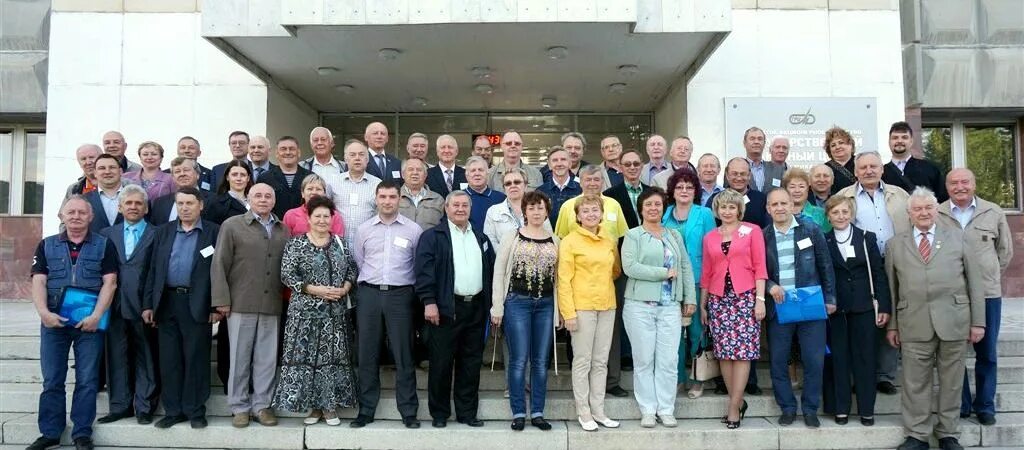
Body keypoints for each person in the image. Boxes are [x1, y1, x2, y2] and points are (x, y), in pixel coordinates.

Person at [886, 187, 986, 450]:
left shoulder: (958, 238)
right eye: (917, 209)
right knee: (914, 383)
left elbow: (975, 283)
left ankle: (948, 433)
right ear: (909, 213)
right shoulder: (895, 244)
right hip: (913, 322)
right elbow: (892, 288)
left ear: (936, 210)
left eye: (928, 208)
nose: (923, 213)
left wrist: (978, 321)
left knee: (952, 382)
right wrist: (893, 325)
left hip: (954, 320)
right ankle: (917, 435)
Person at [25, 196, 118, 450]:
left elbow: (110, 283)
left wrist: (97, 316)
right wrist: (43, 313)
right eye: (71, 212)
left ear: (90, 217)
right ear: (61, 216)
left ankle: (81, 433)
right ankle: (50, 432)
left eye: (81, 212)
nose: (76, 216)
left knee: (87, 380)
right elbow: (39, 281)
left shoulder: (104, 245)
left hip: (89, 323)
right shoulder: (46, 245)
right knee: (52, 379)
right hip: (54, 321)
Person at [273, 196, 358, 426]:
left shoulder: (341, 243)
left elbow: (352, 270)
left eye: (326, 216)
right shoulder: (296, 243)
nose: (322, 220)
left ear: (333, 219)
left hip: (335, 315)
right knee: (307, 361)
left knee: (330, 361)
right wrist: (315, 289)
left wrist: (344, 289)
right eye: (317, 216)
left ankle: (329, 407)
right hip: (304, 315)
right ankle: (313, 408)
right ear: (309, 218)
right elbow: (287, 275)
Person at [414, 191, 496, 428]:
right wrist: (429, 302)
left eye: (464, 205)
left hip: (476, 308)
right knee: (441, 363)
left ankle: (467, 413)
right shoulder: (433, 236)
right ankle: (439, 414)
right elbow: (424, 272)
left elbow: (489, 272)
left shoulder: (481, 237)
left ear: (470, 209)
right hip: (445, 309)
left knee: (470, 364)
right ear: (446, 209)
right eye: (455, 205)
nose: (460, 209)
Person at [938, 169, 1013, 426]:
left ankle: (985, 406)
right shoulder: (937, 213)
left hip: (988, 295)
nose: (960, 186)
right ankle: (962, 405)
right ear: (947, 187)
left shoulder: (993, 212)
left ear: (974, 183)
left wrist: (986, 277)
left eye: (965, 181)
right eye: (954, 183)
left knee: (987, 353)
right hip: (951, 296)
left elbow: (1004, 252)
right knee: (953, 352)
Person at [211, 183, 289, 428]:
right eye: (258, 195)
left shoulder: (282, 229)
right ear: (248, 198)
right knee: (239, 357)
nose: (263, 199)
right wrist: (221, 300)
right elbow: (219, 264)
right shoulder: (232, 225)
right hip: (240, 303)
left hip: (271, 303)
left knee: (266, 359)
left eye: (268, 195)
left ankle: (262, 405)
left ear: (274, 201)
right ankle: (239, 406)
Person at [142, 187, 220, 429]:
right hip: (167, 303)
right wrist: (148, 304)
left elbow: (220, 271)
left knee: (196, 359)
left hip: (198, 303)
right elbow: (152, 269)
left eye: (189, 203)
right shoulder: (163, 232)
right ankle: (173, 411)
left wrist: (216, 305)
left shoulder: (213, 232)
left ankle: (195, 411)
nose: (184, 208)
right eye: (180, 203)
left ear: (201, 205)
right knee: (170, 360)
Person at [834, 151, 910, 395]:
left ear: (882, 169)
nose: (868, 171)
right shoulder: (843, 197)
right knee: (863, 318)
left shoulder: (900, 195)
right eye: (863, 167)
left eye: (873, 166)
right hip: (859, 266)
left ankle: (885, 375)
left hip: (894, 261)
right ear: (855, 171)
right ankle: (860, 373)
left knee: (891, 314)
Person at [350, 180, 424, 429]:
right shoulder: (364, 230)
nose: (387, 201)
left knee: (404, 354)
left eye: (392, 197)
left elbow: (416, 264)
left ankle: (409, 411)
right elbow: (359, 261)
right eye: (383, 197)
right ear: (376, 198)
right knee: (367, 353)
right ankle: (367, 409)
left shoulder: (413, 230)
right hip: (369, 295)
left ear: (399, 198)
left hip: (400, 296)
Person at [621, 188, 696, 428]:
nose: (653, 208)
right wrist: (664, 273)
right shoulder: (633, 235)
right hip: (639, 306)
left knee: (668, 360)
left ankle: (666, 409)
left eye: (657, 204)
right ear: (641, 209)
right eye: (648, 205)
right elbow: (630, 267)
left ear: (663, 207)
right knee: (643, 360)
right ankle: (647, 410)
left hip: (670, 306)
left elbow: (685, 266)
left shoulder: (673, 235)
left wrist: (690, 298)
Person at [762, 188, 836, 428]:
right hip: (780, 306)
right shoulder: (763, 236)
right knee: (779, 360)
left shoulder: (810, 229)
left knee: (814, 360)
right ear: (768, 209)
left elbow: (825, 265)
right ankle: (787, 407)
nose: (780, 208)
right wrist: (770, 285)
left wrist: (830, 298)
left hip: (810, 305)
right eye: (775, 204)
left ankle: (810, 408)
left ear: (793, 205)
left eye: (784, 203)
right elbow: (758, 270)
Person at [490, 191, 559, 432]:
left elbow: (558, 278)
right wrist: (497, 306)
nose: (537, 212)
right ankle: (519, 411)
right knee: (519, 360)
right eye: (532, 208)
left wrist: (559, 311)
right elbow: (499, 272)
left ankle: (538, 411)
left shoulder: (555, 240)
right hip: (517, 302)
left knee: (540, 362)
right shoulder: (513, 236)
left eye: (541, 208)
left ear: (546, 211)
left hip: (546, 304)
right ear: (525, 212)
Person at [700, 189, 768, 428]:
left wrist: (760, 300)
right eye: (723, 207)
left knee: (742, 354)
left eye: (731, 207)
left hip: (745, 297)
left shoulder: (752, 231)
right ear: (716, 210)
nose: (727, 211)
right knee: (724, 354)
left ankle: (733, 408)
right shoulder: (710, 236)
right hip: (718, 299)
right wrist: (703, 304)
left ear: (739, 209)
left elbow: (760, 266)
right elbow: (706, 272)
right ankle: (736, 402)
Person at [821, 195, 891, 426]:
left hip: (865, 307)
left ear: (851, 214)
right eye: (835, 212)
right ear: (828, 216)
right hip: (836, 309)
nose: (840, 216)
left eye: (844, 212)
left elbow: (879, 274)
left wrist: (883, 305)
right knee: (840, 359)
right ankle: (841, 408)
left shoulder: (866, 238)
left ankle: (867, 410)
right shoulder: (824, 240)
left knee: (865, 359)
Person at [558, 194, 622, 431]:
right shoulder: (570, 241)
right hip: (581, 307)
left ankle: (599, 410)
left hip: (607, 305)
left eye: (595, 210)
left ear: (601, 213)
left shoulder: (608, 239)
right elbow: (563, 280)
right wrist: (569, 313)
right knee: (583, 361)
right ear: (577, 216)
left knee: (601, 362)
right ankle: (583, 412)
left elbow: (615, 270)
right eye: (585, 211)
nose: (591, 214)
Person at [97, 185, 159, 426]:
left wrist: (152, 304)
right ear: (120, 207)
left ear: (145, 208)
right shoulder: (106, 234)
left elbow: (158, 273)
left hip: (144, 306)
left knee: (146, 356)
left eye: (138, 204)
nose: (133, 207)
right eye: (128, 203)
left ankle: (144, 406)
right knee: (116, 355)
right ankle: (120, 406)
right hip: (113, 306)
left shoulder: (157, 233)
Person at [661, 168, 715, 399]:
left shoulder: (704, 214)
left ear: (696, 191)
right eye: (679, 187)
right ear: (672, 191)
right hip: (669, 281)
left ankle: (696, 378)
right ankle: (677, 378)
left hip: (696, 280)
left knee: (695, 331)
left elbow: (713, 250)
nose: (684, 191)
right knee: (673, 332)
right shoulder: (664, 214)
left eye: (689, 187)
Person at [602, 149, 650, 394]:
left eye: (636, 163)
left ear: (642, 166)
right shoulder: (609, 196)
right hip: (620, 268)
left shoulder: (653, 193)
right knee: (617, 320)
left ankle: (643, 368)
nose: (632, 167)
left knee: (644, 318)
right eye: (627, 164)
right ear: (619, 167)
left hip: (650, 269)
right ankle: (615, 376)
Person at [554, 165, 629, 240]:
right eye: (588, 180)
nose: (592, 183)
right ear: (580, 182)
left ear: (602, 182)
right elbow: (561, 238)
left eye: (596, 179)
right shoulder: (567, 206)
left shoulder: (614, 204)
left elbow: (623, 236)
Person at [330, 139, 381, 245]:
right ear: (346, 159)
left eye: (361, 154)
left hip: (367, 244)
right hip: (337, 244)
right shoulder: (333, 182)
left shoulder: (377, 185)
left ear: (367, 159)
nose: (357, 158)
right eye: (352, 155)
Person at [883, 121, 948, 203]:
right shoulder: (881, 172)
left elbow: (942, 200)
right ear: (889, 142)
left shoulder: (930, 169)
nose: (899, 141)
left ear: (911, 141)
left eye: (904, 137)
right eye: (895, 138)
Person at [484, 169, 552, 247]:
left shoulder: (538, 209)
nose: (513, 186)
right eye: (508, 183)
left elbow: (549, 236)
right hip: (504, 258)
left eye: (517, 182)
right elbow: (490, 242)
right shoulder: (493, 211)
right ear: (504, 188)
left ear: (526, 186)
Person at [707, 158, 770, 228]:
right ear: (727, 176)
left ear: (749, 176)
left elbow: (768, 228)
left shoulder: (762, 199)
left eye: (743, 174)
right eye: (734, 174)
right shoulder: (715, 199)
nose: (739, 178)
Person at [261, 136, 313, 219]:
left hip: (303, 227)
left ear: (298, 152)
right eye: (283, 149)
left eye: (292, 149)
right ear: (277, 153)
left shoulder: (310, 177)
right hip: (274, 227)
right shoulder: (265, 178)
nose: (288, 152)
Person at [149, 157, 209, 226]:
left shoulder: (214, 201)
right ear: (173, 177)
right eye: (177, 171)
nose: (182, 174)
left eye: (186, 170)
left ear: (198, 174)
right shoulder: (159, 203)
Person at [537, 146, 582, 228]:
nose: (559, 164)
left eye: (563, 159)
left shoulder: (581, 189)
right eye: (555, 160)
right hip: (548, 238)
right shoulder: (540, 192)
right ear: (549, 165)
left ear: (570, 164)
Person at [398, 157, 445, 229]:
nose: (415, 173)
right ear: (403, 174)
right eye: (410, 169)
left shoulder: (438, 200)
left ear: (425, 175)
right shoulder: (393, 197)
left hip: (429, 240)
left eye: (419, 170)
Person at [83, 154, 124, 233]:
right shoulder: (84, 200)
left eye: (112, 167)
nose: (107, 171)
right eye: (102, 168)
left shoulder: (136, 198)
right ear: (95, 173)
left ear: (120, 171)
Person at [204, 159, 253, 225]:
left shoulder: (256, 201)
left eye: (243, 175)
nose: (238, 178)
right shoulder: (215, 203)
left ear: (248, 178)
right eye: (234, 175)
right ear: (227, 177)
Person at [464, 156, 506, 231]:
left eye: (480, 170)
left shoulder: (501, 198)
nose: (477, 173)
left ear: (487, 174)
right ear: (467, 176)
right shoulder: (458, 198)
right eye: (473, 170)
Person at [783, 167, 830, 232]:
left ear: (808, 189)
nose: (797, 190)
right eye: (792, 187)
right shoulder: (780, 213)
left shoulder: (821, 214)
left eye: (801, 186)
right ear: (786, 189)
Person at [743, 127, 785, 192]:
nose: (756, 142)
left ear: (764, 143)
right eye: (752, 139)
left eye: (760, 139)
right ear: (744, 143)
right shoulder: (735, 169)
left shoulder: (778, 170)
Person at [824, 127, 857, 195]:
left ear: (850, 145)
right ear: (829, 150)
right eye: (833, 145)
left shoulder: (860, 163)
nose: (837, 147)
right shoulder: (825, 168)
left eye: (841, 143)